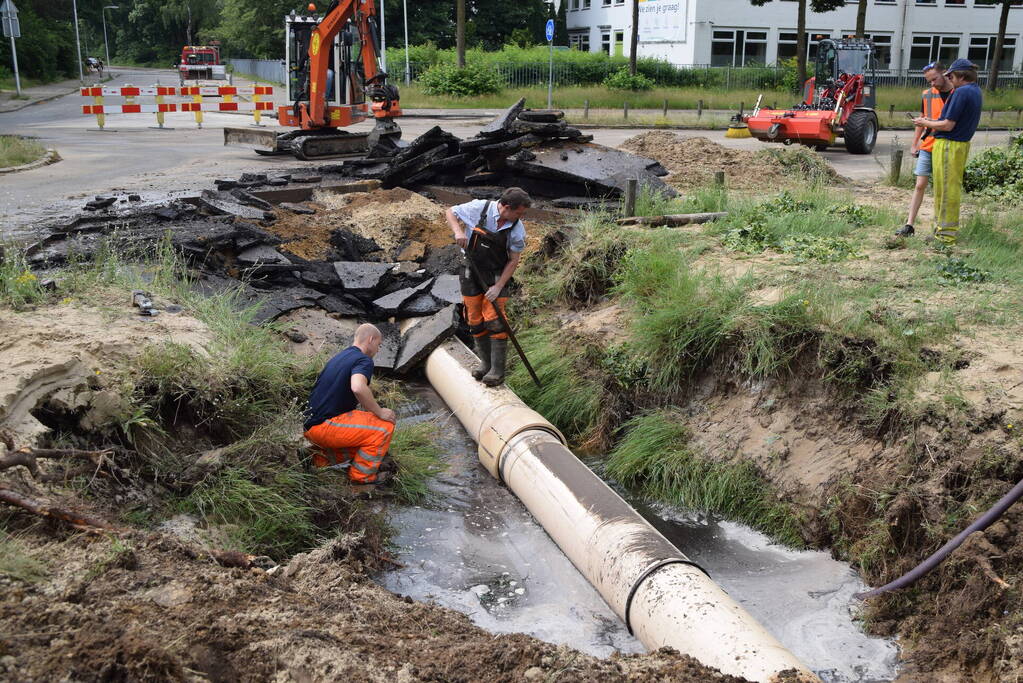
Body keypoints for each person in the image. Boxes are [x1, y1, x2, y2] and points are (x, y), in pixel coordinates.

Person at [445, 187, 530, 387]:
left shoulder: (516, 229)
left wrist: (499, 286)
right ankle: (486, 364)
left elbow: (513, 260)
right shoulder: (479, 208)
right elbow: (450, 212)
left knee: (495, 320)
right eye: (519, 213)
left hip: (496, 273)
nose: (520, 217)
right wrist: (458, 231)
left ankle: (497, 372)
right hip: (471, 270)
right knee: (474, 319)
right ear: (506, 207)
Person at [303, 323, 396, 485]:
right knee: (383, 428)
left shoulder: (340, 357)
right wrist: (380, 412)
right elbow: (358, 387)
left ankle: (318, 459)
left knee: (366, 437)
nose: (378, 350)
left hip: (310, 427)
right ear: (370, 339)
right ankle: (361, 479)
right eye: (379, 344)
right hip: (326, 427)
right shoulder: (364, 360)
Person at [912, 59, 983, 245]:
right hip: (959, 146)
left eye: (951, 76)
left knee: (945, 191)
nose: (949, 79)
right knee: (947, 189)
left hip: (949, 146)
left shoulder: (961, 92)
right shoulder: (975, 90)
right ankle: (941, 230)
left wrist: (924, 122)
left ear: (961, 76)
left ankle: (944, 236)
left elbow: (947, 125)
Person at [896, 62, 954, 237]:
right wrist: (915, 143)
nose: (933, 84)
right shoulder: (927, 94)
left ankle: (940, 226)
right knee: (920, 184)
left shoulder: (957, 93)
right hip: (928, 145)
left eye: (935, 79)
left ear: (944, 73)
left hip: (947, 146)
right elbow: (921, 121)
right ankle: (909, 225)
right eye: (929, 81)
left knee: (942, 188)